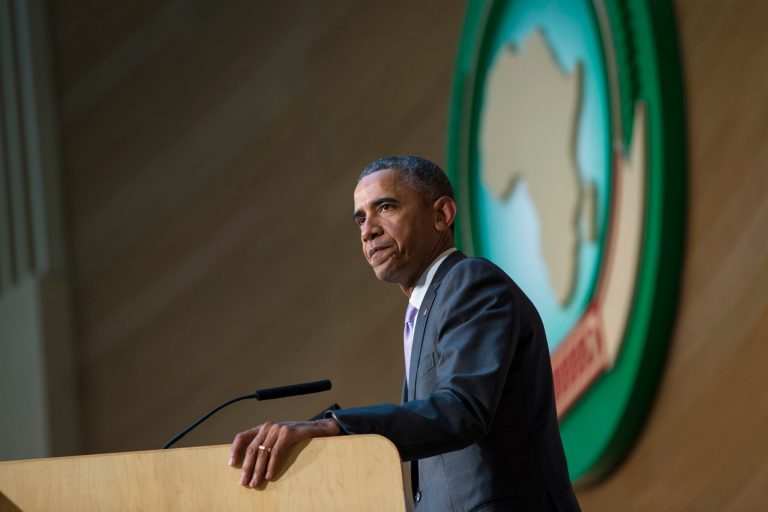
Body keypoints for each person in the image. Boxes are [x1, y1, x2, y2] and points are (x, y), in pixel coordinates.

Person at [229, 156, 581, 511]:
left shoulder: (470, 282)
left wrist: (335, 427)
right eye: (361, 219)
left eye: (385, 207)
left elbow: (462, 410)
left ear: (441, 215)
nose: (368, 230)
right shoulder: (423, 312)